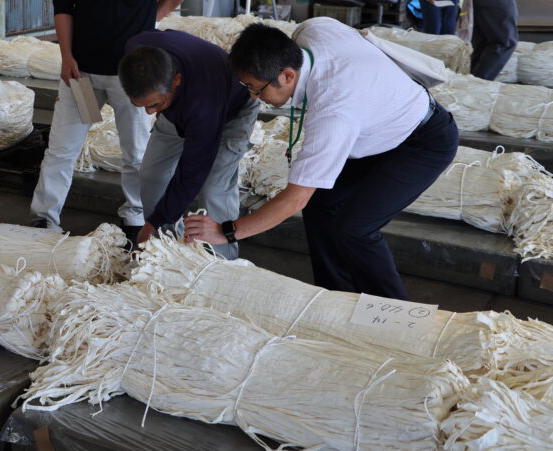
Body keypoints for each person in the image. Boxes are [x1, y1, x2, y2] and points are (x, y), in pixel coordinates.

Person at [183, 19, 459, 300]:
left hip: (422, 142)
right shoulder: (312, 31)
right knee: (321, 206)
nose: (255, 97)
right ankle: (335, 296)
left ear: (287, 76)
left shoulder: (333, 113)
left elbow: (294, 199)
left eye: (257, 88)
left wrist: (226, 232)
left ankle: (393, 314)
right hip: (376, 128)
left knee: (354, 229)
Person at [29, 0, 195, 234]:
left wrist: (152, 19)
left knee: (136, 153)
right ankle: (45, 217)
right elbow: (62, 5)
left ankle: (136, 215)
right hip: (82, 71)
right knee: (61, 149)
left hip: (132, 75)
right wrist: (66, 56)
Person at [118, 29, 259, 255]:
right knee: (151, 175)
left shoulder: (204, 103)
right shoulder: (137, 51)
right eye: (141, 105)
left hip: (230, 108)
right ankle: (163, 249)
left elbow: (192, 171)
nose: (149, 112)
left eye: (155, 105)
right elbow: (158, 101)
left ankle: (224, 263)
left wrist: (152, 222)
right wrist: (155, 224)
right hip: (177, 111)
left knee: (214, 189)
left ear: (177, 80)